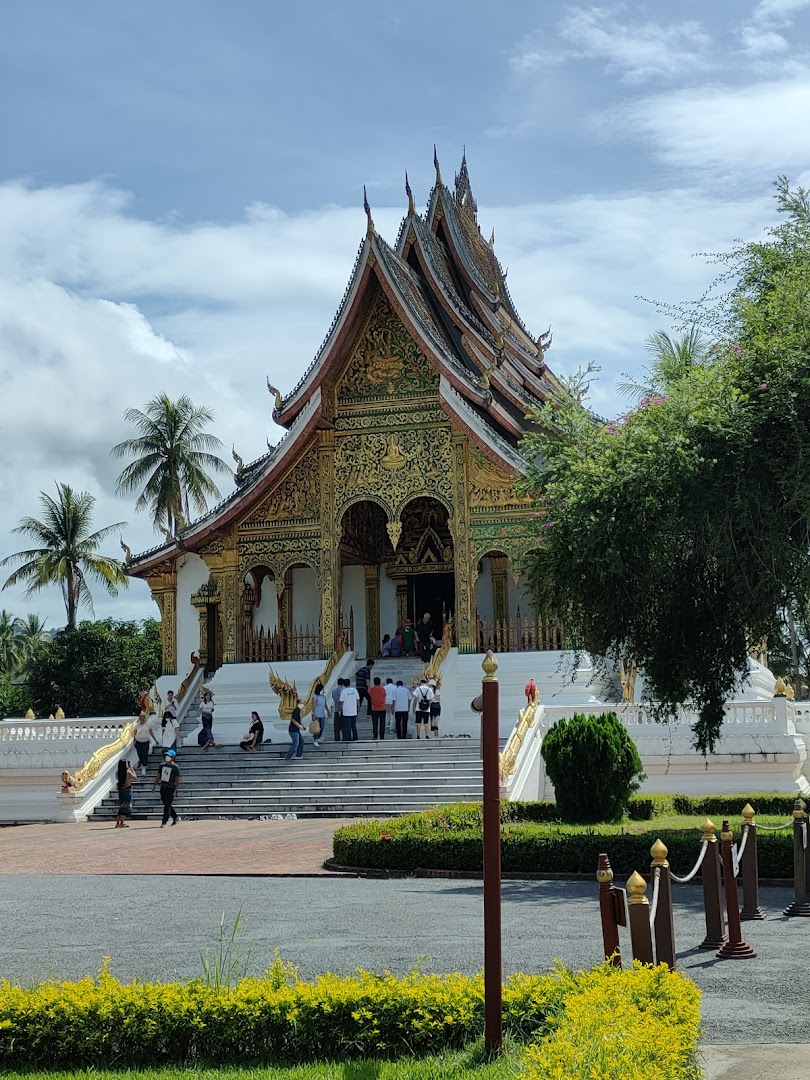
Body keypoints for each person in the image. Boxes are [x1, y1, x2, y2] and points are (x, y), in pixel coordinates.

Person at [152, 749, 180, 827]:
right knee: (166, 803)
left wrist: (176, 789)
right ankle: (175, 817)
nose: (167, 757)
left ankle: (164, 821)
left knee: (167, 805)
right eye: (167, 755)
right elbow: (158, 776)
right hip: (163, 786)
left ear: (173, 757)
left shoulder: (175, 767)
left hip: (171, 787)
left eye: (169, 756)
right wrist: (154, 786)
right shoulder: (162, 765)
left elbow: (177, 779)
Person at [114, 759, 137, 828]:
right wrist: (131, 768)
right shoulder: (128, 772)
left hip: (121, 790)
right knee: (126, 808)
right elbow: (135, 777)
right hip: (127, 790)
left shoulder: (118, 773)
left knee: (121, 806)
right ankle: (121, 823)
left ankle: (118, 822)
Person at [132, 711, 154, 776]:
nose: (142, 719)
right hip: (138, 741)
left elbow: (151, 732)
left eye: (143, 718)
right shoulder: (137, 725)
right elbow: (135, 733)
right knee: (139, 753)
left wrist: (155, 739)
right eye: (141, 718)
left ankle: (144, 765)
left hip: (145, 741)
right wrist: (134, 740)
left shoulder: (148, 725)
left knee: (144, 753)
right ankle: (142, 763)